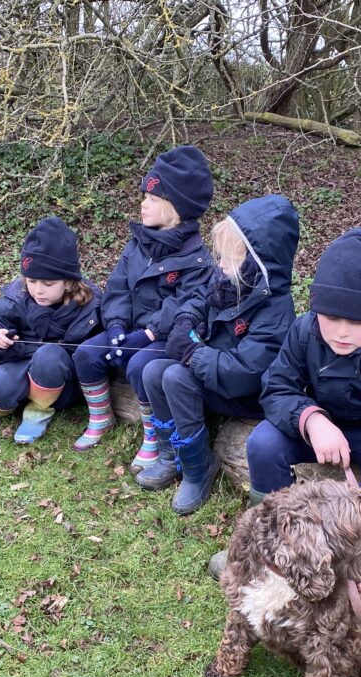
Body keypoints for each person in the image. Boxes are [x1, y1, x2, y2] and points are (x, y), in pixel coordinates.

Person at [209, 228, 361, 599]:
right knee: (264, 444)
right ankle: (267, 546)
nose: (342, 333)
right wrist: (311, 418)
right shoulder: (305, 330)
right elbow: (276, 387)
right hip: (324, 422)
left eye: (358, 322)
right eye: (331, 317)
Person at [137, 195, 299, 514]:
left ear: (257, 262)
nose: (220, 264)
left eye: (229, 258)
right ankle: (172, 455)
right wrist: (185, 323)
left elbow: (244, 372)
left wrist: (192, 354)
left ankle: (199, 469)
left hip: (247, 393)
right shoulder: (229, 277)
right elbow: (200, 299)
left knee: (174, 375)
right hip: (215, 370)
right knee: (152, 372)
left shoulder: (275, 310)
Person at [71, 145, 214, 473]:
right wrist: (118, 326)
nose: (142, 203)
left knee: (140, 365)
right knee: (85, 353)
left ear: (174, 207)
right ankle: (101, 417)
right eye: (144, 197)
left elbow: (187, 304)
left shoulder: (197, 259)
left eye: (151, 199)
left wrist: (148, 333)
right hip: (130, 330)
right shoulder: (137, 243)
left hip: (163, 338)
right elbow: (118, 286)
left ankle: (153, 434)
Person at [0, 216, 101, 444]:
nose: (38, 290)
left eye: (48, 284)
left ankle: (38, 411)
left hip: (62, 382)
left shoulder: (90, 306)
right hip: (19, 364)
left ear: (69, 282)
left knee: (49, 354)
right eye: (32, 281)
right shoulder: (18, 298)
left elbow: (97, 353)